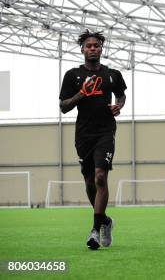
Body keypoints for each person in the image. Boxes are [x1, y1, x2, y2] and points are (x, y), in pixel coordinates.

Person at [59, 29, 127, 249]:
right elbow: (63, 107)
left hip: (106, 132)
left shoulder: (112, 74)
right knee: (89, 183)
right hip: (83, 135)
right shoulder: (72, 75)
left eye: (96, 45)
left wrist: (119, 105)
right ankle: (105, 220)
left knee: (100, 177)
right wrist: (81, 93)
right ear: (82, 49)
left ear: (101, 49)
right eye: (88, 46)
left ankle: (95, 231)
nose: (92, 48)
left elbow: (121, 94)